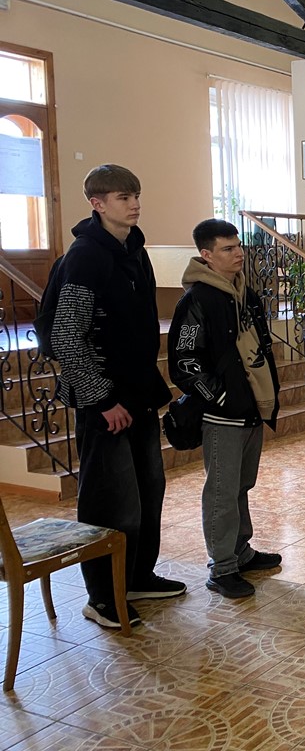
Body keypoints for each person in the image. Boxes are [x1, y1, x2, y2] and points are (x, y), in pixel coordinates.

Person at [51, 164, 184, 629]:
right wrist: (102, 400)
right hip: (105, 400)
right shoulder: (86, 256)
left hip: (137, 391)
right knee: (111, 499)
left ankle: (138, 576)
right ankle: (103, 597)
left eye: (136, 195)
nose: (134, 204)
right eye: (123, 197)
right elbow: (66, 336)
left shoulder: (134, 249)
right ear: (97, 203)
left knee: (148, 490)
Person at [169, 220, 283, 598]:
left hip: (251, 406)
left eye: (239, 246)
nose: (239, 254)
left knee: (241, 485)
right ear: (206, 255)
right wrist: (219, 397)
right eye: (228, 249)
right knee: (221, 491)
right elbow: (184, 361)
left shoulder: (244, 293)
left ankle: (240, 551)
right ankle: (222, 568)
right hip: (222, 414)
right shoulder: (197, 300)